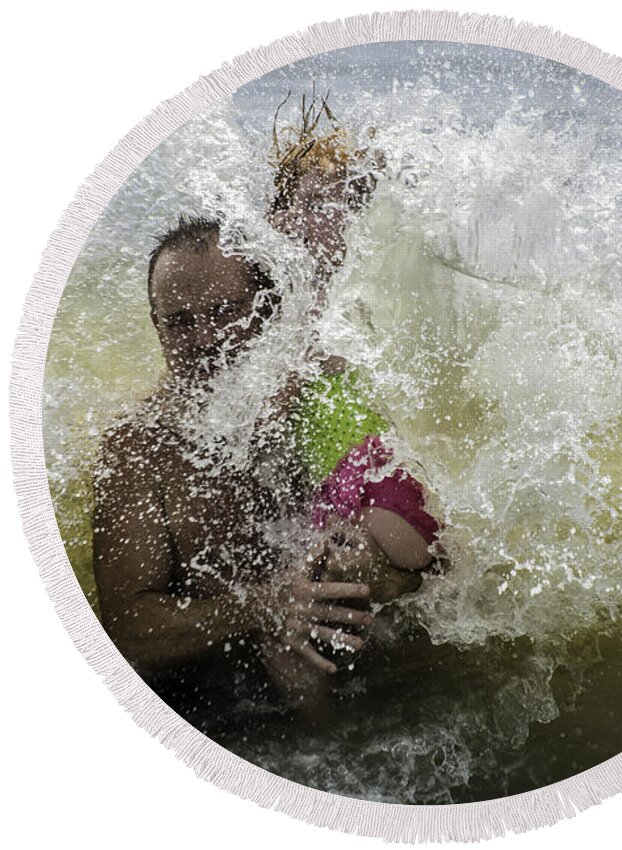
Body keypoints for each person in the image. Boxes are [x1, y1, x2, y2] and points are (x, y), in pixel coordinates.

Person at [92, 215, 376, 722]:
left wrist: (376, 566)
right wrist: (262, 608)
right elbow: (128, 627)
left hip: (345, 675)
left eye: (225, 312)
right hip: (210, 712)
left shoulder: (323, 392)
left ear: (266, 312)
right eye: (179, 321)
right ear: (156, 327)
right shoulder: (138, 449)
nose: (204, 338)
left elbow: (431, 547)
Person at [265, 92, 446, 591]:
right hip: (337, 485)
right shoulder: (277, 299)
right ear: (278, 218)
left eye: (340, 204)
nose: (326, 217)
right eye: (310, 202)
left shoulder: (359, 290)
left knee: (395, 577)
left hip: (374, 474)